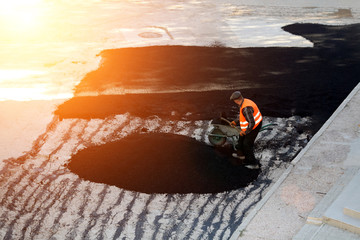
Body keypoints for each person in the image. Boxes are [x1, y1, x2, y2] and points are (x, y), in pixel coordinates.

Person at [229, 91, 262, 169]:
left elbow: (252, 123)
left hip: (254, 127)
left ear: (236, 100)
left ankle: (253, 163)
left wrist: (246, 131)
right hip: (249, 125)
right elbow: (242, 116)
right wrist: (235, 121)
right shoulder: (244, 102)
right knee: (241, 138)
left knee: (247, 144)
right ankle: (241, 155)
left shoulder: (246, 108)